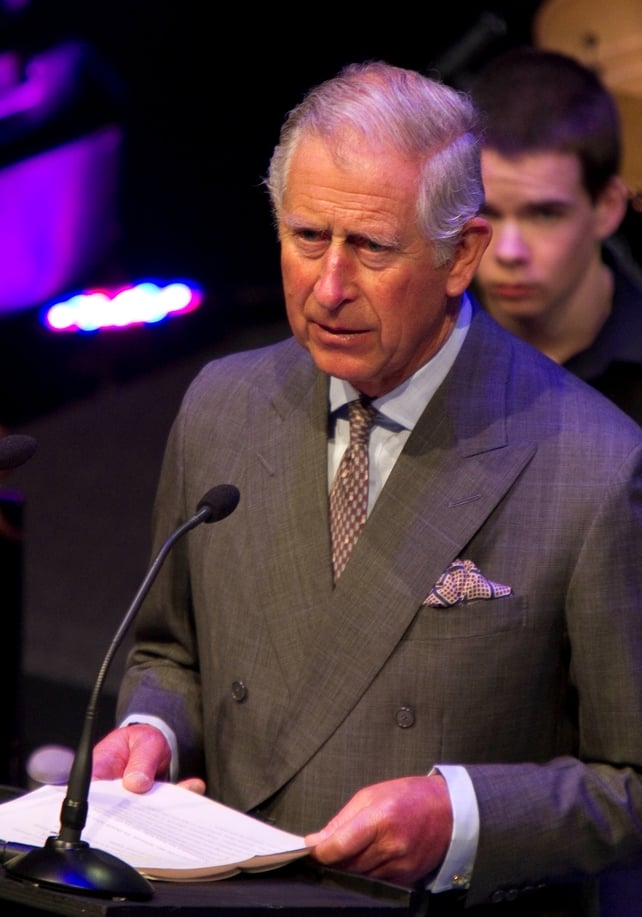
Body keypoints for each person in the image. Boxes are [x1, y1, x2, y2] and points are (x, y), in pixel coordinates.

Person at [92, 61, 642, 914]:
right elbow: (171, 649)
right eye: (308, 237)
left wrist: (463, 815)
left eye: (373, 248)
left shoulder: (594, 462)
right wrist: (151, 730)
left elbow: (633, 781)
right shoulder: (222, 406)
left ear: (461, 255)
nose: (331, 287)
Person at [469, 46, 642, 425]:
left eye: (544, 214)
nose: (508, 252)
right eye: (487, 212)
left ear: (609, 207)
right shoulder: (417, 344)